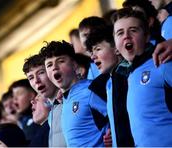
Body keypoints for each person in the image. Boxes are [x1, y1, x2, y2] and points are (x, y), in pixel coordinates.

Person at [112, 7, 172, 146]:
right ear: (115, 43)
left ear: (146, 37)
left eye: (133, 30)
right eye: (120, 33)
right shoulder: (129, 74)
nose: (126, 36)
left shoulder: (162, 62)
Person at [40, 40, 109, 147]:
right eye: (49, 65)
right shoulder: (61, 103)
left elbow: (118, 118)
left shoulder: (91, 90)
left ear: (74, 65)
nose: (54, 67)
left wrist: (112, 134)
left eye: (61, 61)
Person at [86, 25, 134, 147]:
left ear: (117, 49)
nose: (93, 56)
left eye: (98, 49)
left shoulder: (128, 75)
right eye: (92, 52)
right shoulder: (110, 82)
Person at [23, 53, 66, 147]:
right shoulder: (52, 112)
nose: (36, 80)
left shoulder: (70, 99)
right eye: (31, 78)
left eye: (41, 72)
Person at [9, 79, 40, 143]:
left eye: (19, 94)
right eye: (13, 96)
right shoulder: (21, 121)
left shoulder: (40, 119)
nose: (14, 99)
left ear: (32, 95)